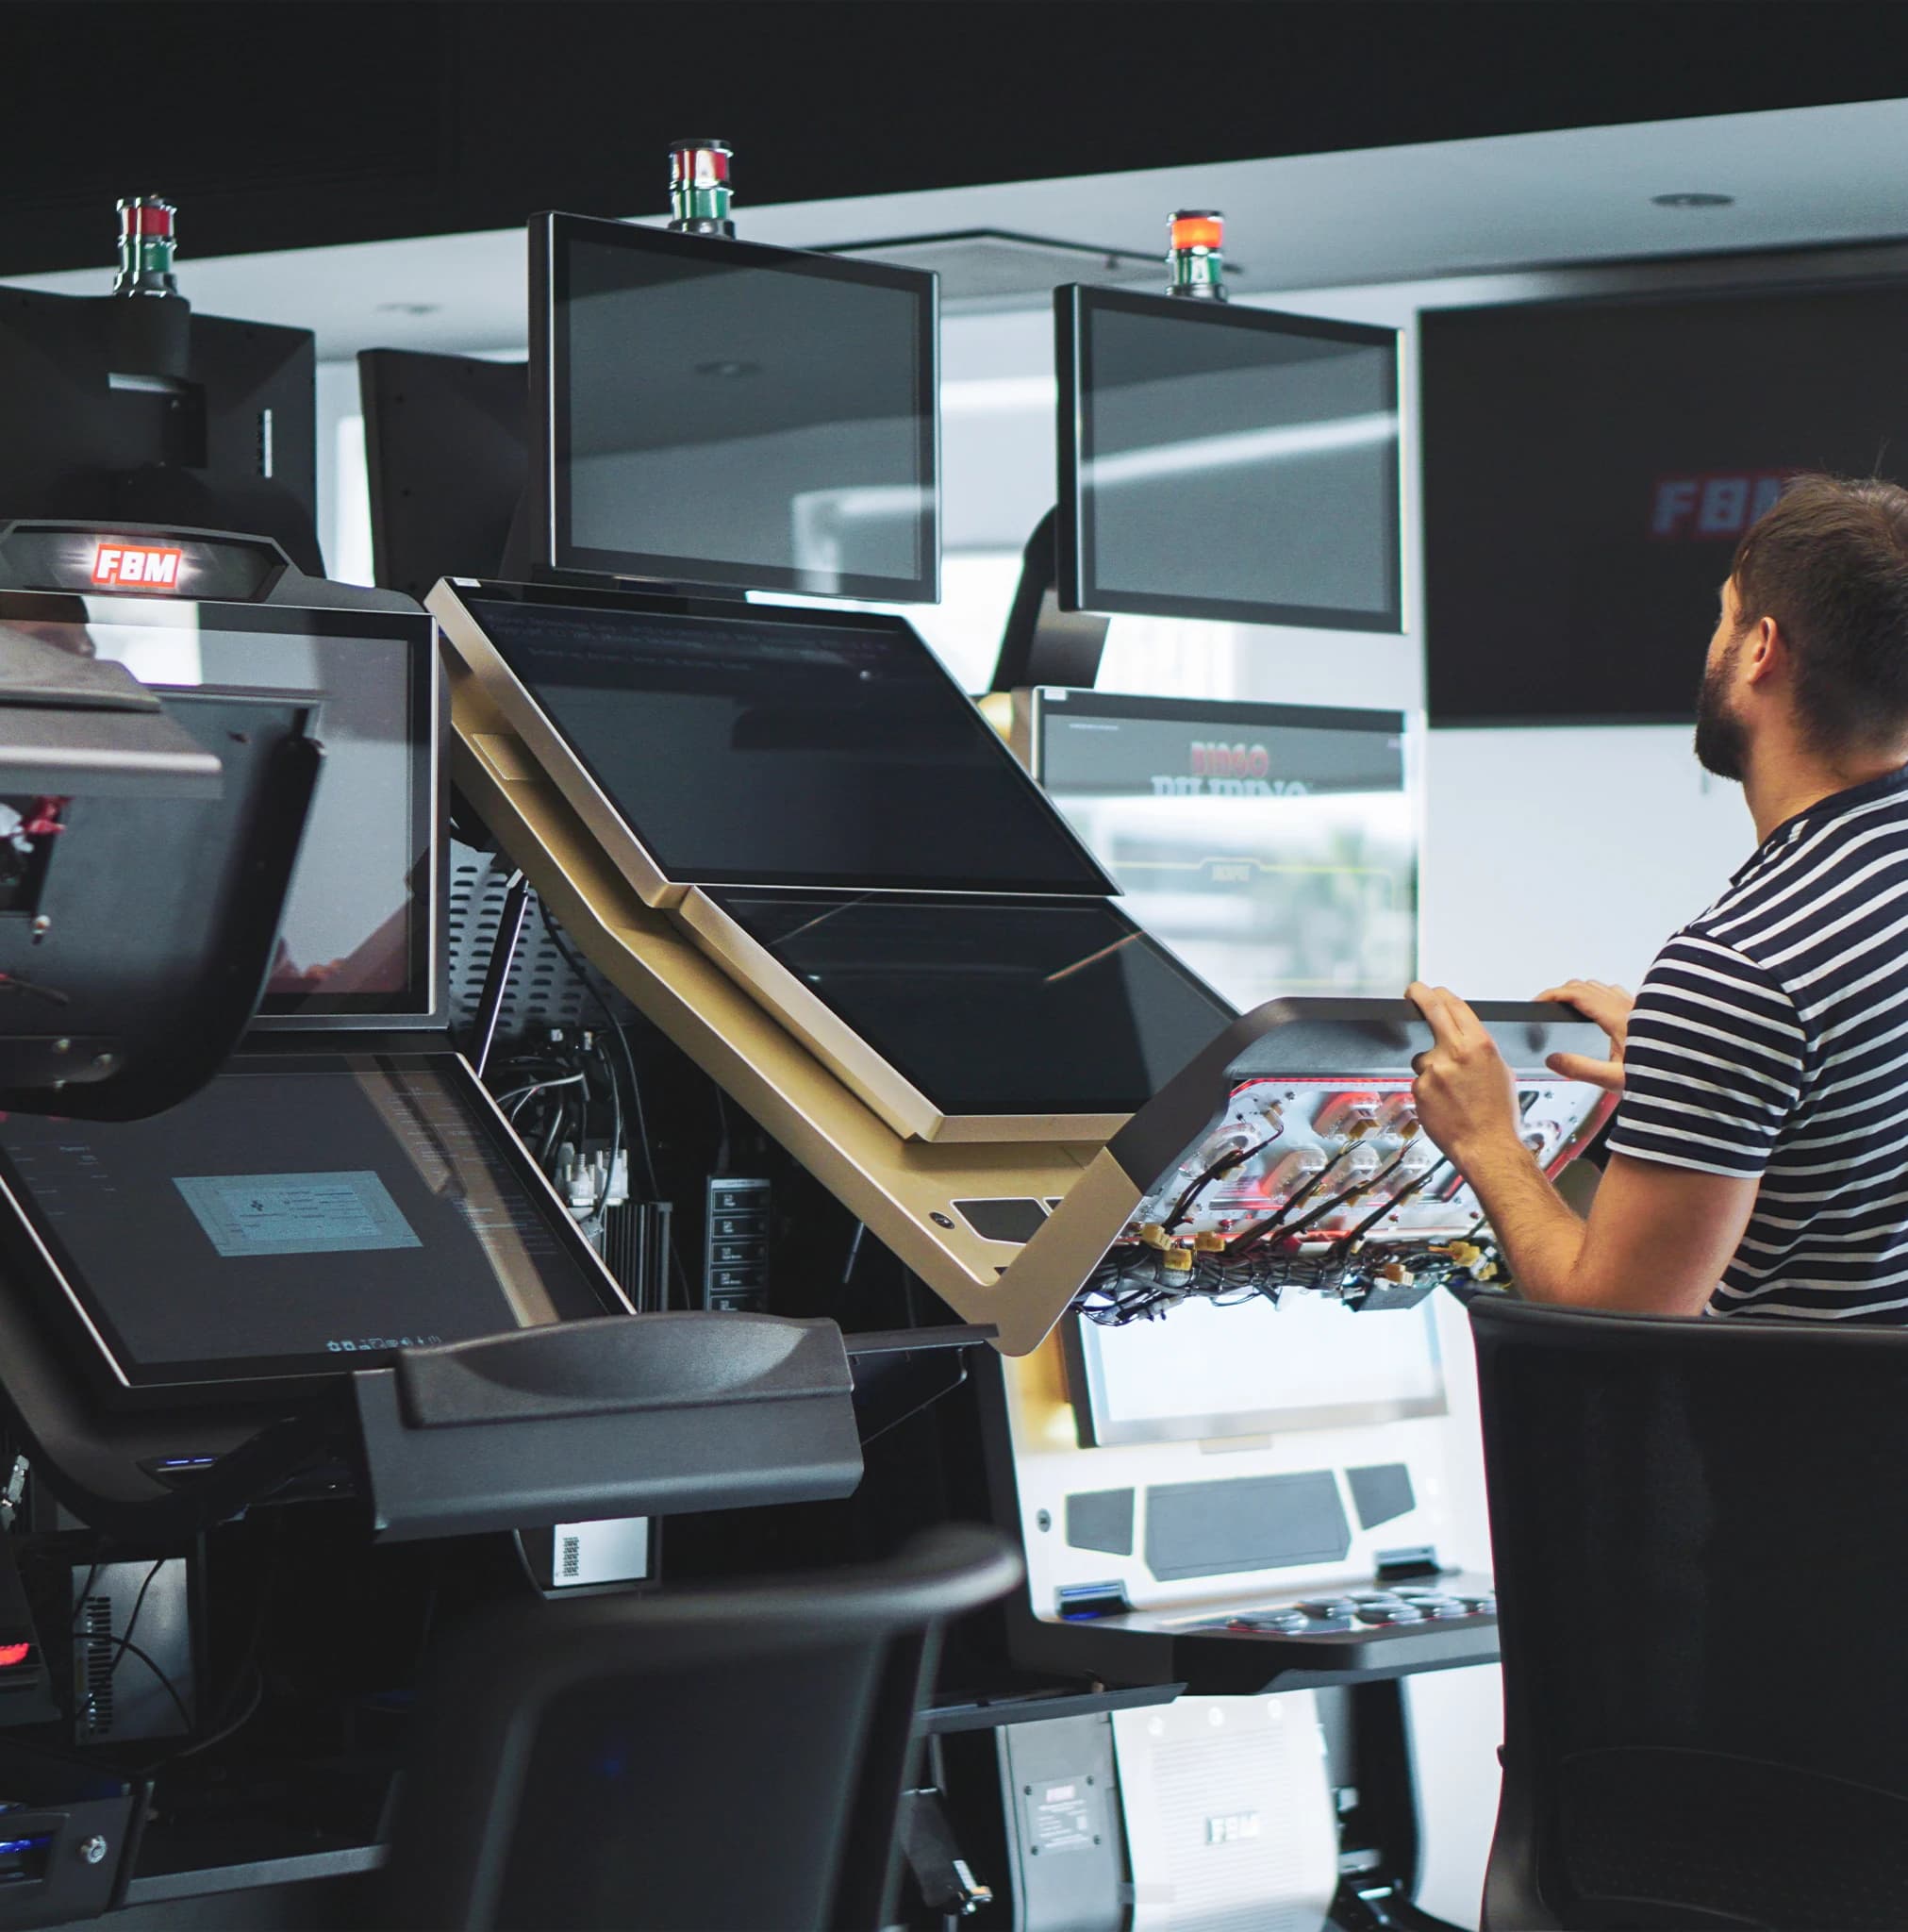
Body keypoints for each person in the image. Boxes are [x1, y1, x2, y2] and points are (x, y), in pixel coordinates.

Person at [1408, 473, 1908, 1321]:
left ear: (1759, 649)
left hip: (1800, 1449)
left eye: (1723, 616)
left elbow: (1626, 1317)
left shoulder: (1743, 967)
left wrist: (1488, 1140)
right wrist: (1693, 1083)